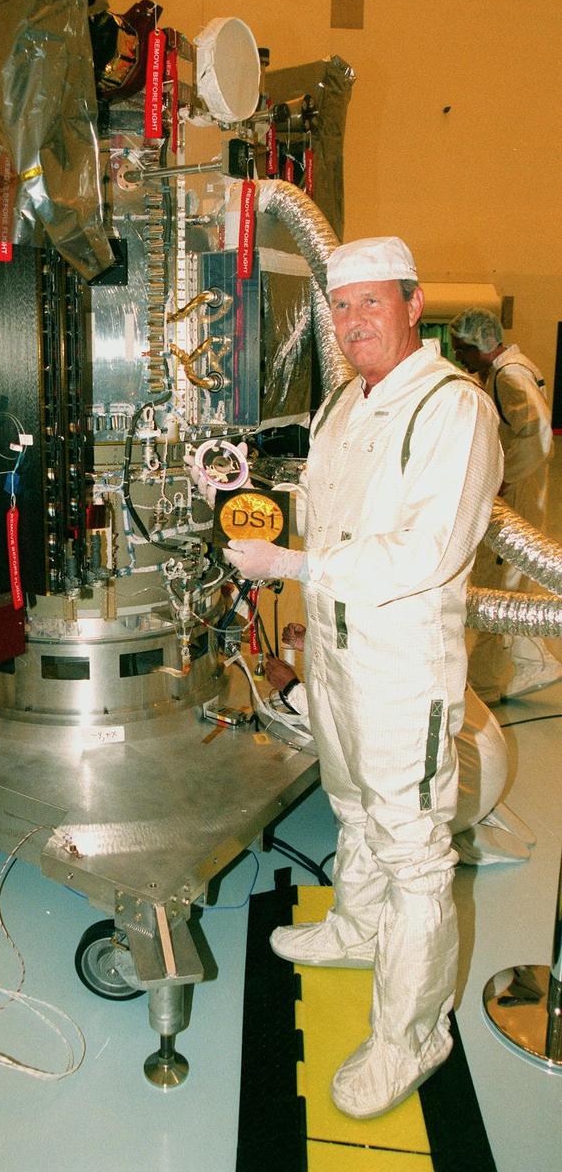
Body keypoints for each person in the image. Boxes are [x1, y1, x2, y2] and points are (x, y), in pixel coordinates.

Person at [221, 236, 503, 1119]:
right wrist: (254, 503)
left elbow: (425, 551)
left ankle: (412, 1037)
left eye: (371, 302)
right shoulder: (345, 401)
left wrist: (291, 566)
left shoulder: (452, 409)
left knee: (413, 851)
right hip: (337, 652)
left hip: (400, 663)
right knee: (349, 804)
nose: (353, 322)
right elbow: (327, 510)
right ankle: (354, 927)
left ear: (413, 305)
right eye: (340, 307)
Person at [263, 624, 532, 865]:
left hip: (461, 794)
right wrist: (313, 644)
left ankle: (435, 841)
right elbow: (364, 656)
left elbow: (348, 730)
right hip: (485, 768)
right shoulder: (413, 632)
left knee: (358, 811)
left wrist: (291, 688)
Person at [450, 308, 561, 705]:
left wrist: (503, 479)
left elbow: (538, 432)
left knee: (499, 589)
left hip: (517, 497)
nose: (458, 356)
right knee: (508, 582)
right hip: (521, 493)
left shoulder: (510, 376)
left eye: (461, 349)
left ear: (480, 344)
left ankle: (486, 685)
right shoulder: (508, 369)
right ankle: (533, 661)